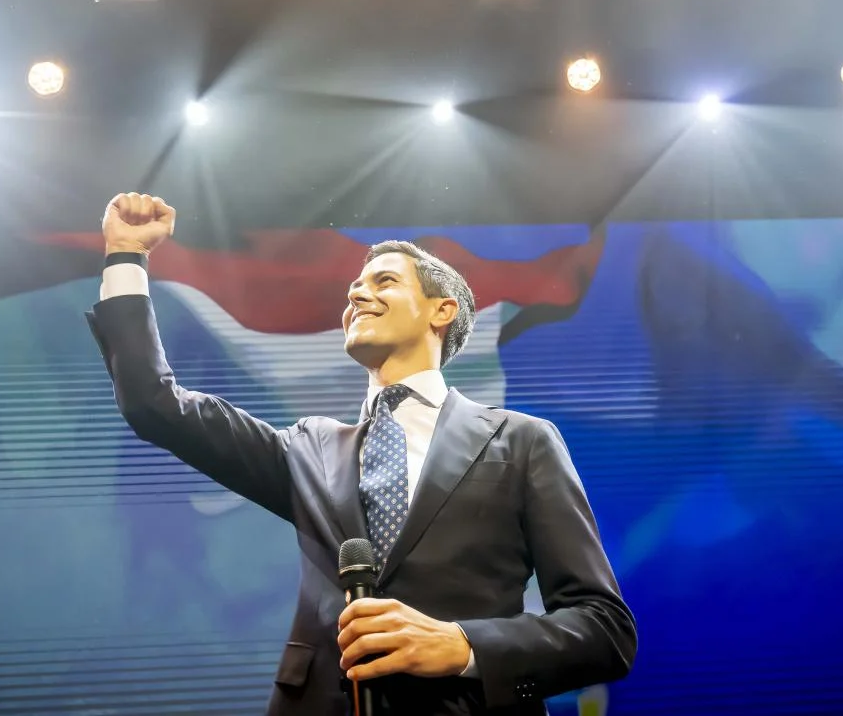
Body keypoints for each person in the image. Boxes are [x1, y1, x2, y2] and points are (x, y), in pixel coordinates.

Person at [87, 192, 635, 715]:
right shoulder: (309, 449)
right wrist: (126, 255)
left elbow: (602, 628)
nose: (355, 294)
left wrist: (463, 645)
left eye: (384, 280)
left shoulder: (520, 440)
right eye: (353, 286)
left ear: (441, 310)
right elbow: (153, 402)